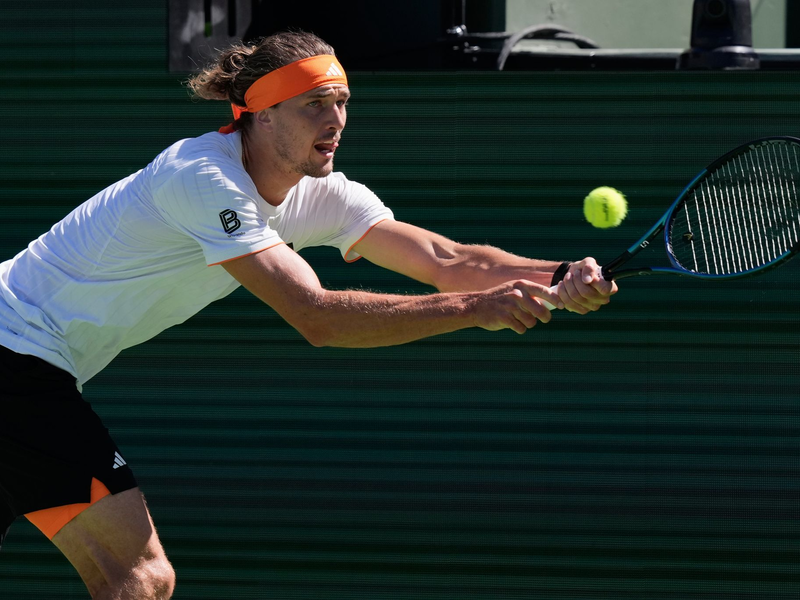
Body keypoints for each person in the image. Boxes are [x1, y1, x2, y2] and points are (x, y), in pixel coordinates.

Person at [0, 31, 616, 599]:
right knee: (140, 579)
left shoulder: (321, 193)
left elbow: (447, 259)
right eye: (315, 104)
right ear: (262, 115)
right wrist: (478, 309)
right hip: (13, 358)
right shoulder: (202, 177)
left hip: (26, 361)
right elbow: (317, 316)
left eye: (343, 101)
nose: (336, 120)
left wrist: (558, 275)